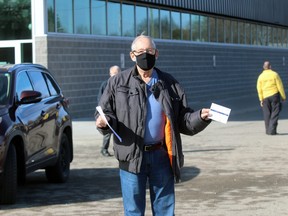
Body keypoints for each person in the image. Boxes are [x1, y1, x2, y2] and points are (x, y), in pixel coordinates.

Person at [95, 35, 211, 215]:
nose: (145, 55)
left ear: (157, 54)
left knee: (165, 210)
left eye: (149, 51)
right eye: (141, 52)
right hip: (131, 156)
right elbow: (104, 111)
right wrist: (103, 122)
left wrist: (201, 117)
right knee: (133, 211)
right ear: (132, 56)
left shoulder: (170, 83)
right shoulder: (117, 83)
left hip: (161, 155)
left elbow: (183, 119)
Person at [257, 61, 286, 135]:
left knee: (267, 114)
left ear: (263, 67)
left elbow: (259, 89)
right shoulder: (275, 74)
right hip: (274, 95)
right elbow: (280, 86)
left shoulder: (260, 76)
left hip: (265, 97)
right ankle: (272, 130)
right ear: (270, 67)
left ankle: (268, 130)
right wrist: (283, 96)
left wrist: (261, 99)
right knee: (275, 113)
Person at [97, 65, 121, 156]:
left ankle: (119, 150)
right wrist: (102, 112)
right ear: (110, 74)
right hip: (108, 112)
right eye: (114, 73)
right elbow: (100, 99)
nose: (116, 75)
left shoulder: (123, 83)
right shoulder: (105, 84)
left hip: (120, 112)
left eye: (118, 73)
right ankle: (104, 149)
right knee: (107, 132)